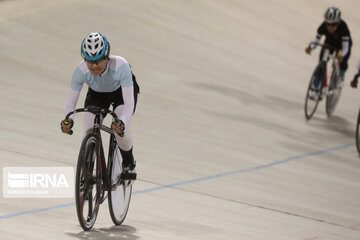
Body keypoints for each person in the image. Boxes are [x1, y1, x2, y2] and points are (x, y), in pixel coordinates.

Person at [60, 32, 140, 181]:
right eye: (89, 61)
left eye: (98, 61)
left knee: (119, 130)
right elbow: (70, 103)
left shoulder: (121, 66)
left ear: (107, 57)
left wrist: (122, 122)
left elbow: (129, 105)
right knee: (89, 127)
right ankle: (88, 170)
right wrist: (68, 120)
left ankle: (128, 162)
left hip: (120, 92)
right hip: (97, 93)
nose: (94, 66)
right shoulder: (80, 71)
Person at [305, 6, 352, 96]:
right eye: (328, 24)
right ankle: (316, 86)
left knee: (343, 61)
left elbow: (346, 47)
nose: (330, 27)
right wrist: (310, 47)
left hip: (341, 47)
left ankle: (341, 77)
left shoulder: (343, 28)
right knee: (322, 62)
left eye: (333, 24)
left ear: (338, 23)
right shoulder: (323, 26)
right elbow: (316, 40)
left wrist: (342, 55)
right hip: (329, 44)